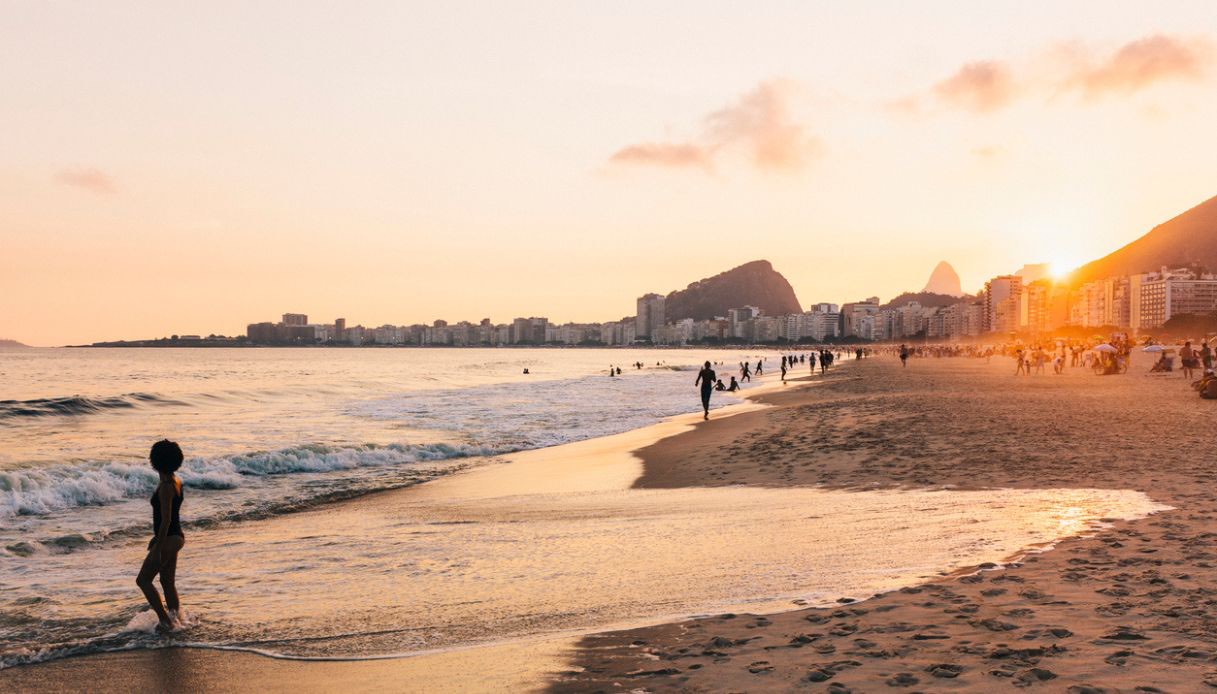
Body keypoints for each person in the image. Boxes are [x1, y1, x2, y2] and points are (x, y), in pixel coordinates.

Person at [137, 439, 186, 632]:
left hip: (169, 539)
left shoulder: (166, 486)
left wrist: (158, 547)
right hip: (175, 537)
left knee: (143, 580)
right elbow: (170, 517)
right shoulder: (176, 480)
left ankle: (166, 621)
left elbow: (165, 520)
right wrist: (157, 537)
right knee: (167, 582)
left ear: (155, 461)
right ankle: (176, 619)